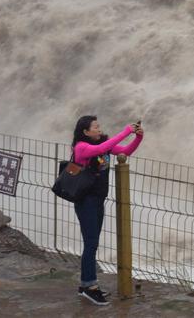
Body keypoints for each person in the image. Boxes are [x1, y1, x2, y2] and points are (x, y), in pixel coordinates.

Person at [70, 116, 143, 306]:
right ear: (85, 132)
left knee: (92, 243)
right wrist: (126, 131)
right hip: (85, 202)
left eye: (99, 126)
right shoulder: (81, 148)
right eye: (95, 127)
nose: (99, 129)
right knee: (91, 244)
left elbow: (125, 152)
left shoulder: (103, 144)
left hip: (97, 201)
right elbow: (100, 150)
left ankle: (86, 284)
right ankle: (89, 287)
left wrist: (138, 138)